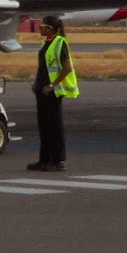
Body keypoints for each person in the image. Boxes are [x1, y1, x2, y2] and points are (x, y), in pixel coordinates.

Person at [26, 15, 79, 172]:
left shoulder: (60, 43)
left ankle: (58, 161)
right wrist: (37, 84)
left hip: (53, 91)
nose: (40, 28)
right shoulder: (46, 43)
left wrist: (52, 85)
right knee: (44, 126)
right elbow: (44, 66)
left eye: (42, 26)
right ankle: (45, 159)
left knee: (54, 126)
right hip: (42, 90)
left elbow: (67, 68)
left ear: (50, 29)